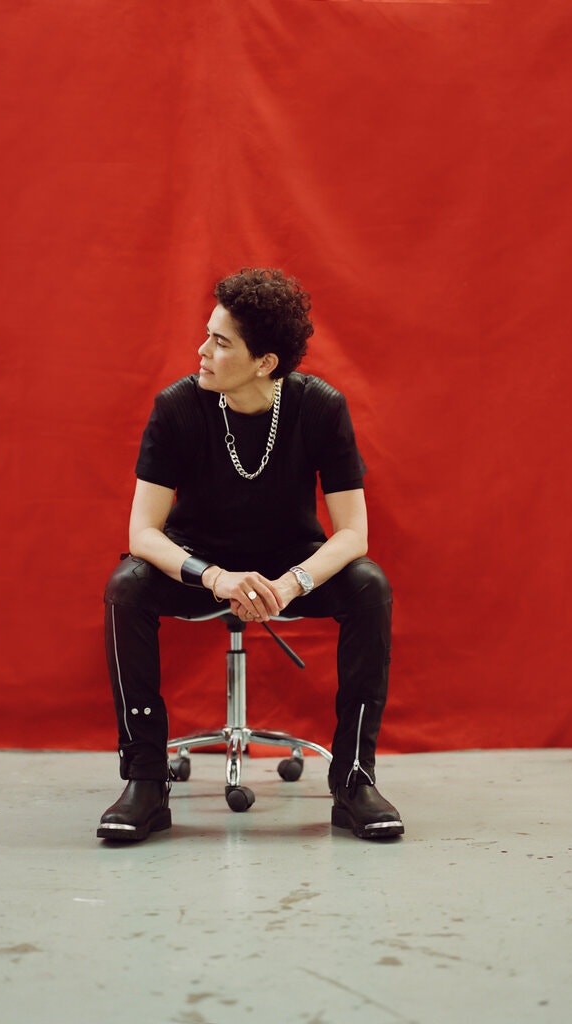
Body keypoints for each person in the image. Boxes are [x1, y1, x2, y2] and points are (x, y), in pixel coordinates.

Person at [98, 267, 403, 842]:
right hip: (199, 564)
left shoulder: (319, 408)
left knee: (369, 585)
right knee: (126, 585)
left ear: (264, 363)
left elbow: (353, 534)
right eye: (207, 334)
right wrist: (214, 577)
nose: (202, 350)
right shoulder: (178, 407)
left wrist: (289, 585)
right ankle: (144, 780)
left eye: (220, 341)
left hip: (290, 560)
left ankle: (354, 779)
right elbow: (143, 533)